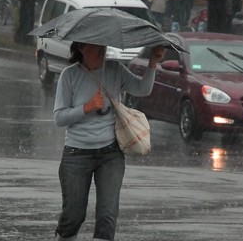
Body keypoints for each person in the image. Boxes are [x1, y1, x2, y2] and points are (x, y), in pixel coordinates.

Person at [53, 41, 165, 241]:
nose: (101, 50)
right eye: (96, 47)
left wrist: (152, 63)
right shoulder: (69, 75)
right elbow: (59, 118)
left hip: (110, 153)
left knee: (107, 216)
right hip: (76, 153)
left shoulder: (114, 69)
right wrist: (86, 107)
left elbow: (142, 89)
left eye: (103, 46)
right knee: (73, 216)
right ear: (81, 48)